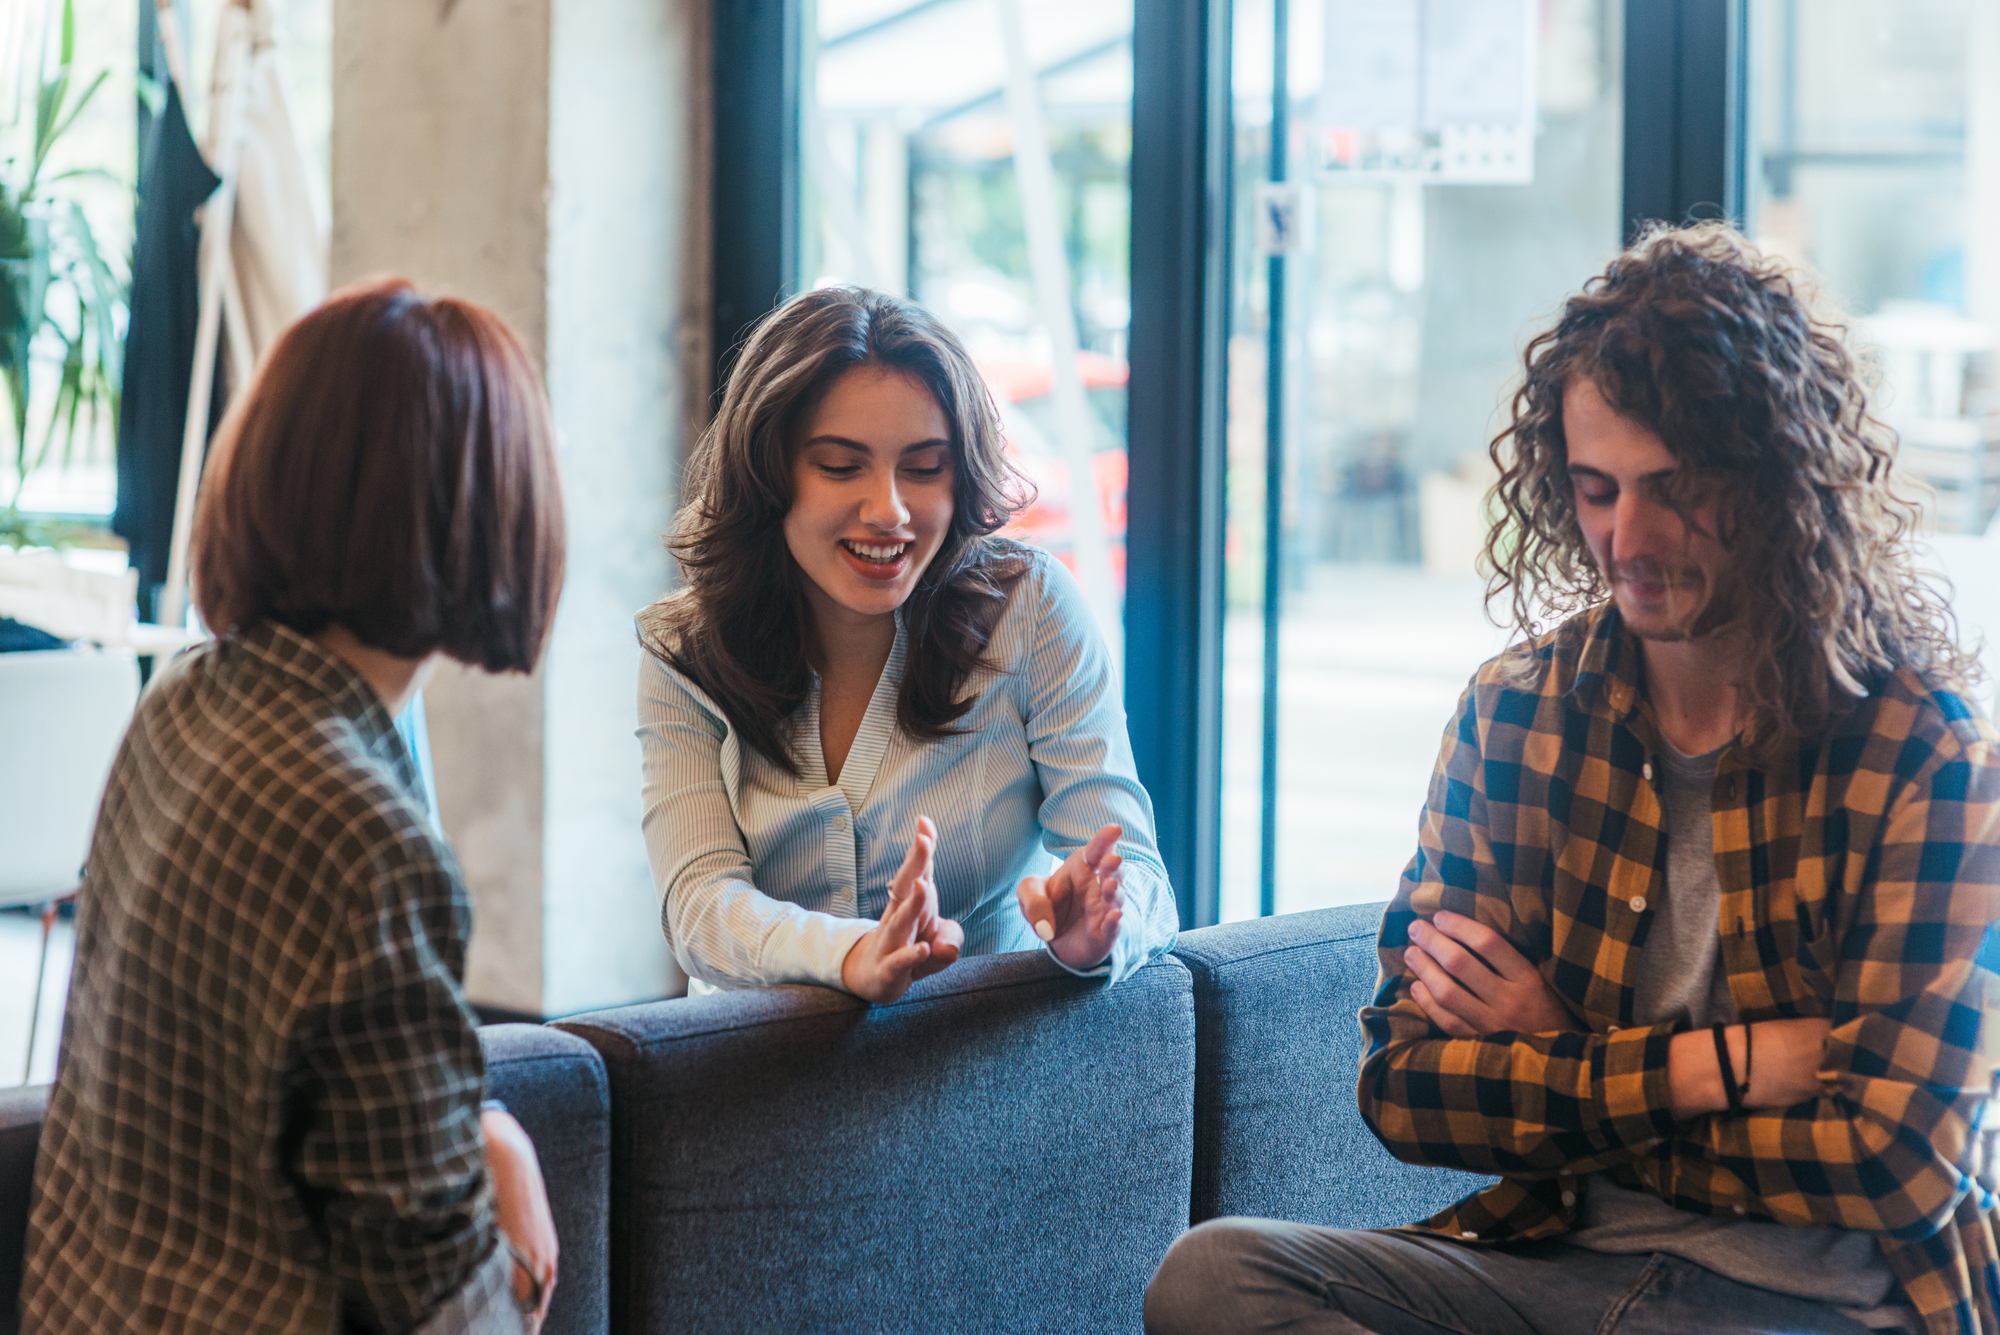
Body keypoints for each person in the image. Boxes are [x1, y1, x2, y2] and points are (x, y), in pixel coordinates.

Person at [1145, 223, 2000, 1335]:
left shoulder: (1919, 755)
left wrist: (1560, 1059)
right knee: (1214, 1279)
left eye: (1670, 489)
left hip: (1808, 1304)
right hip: (1551, 1265)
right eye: (1594, 489)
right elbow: (1404, 1089)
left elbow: (1897, 1167)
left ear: (1779, 484)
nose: (1624, 538)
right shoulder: (1520, 713)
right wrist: (1721, 1067)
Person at [23, 280, 568, 1334]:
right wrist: (527, 1264)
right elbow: (445, 1307)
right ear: (479, 504)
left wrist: (484, 1133)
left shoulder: (186, 697)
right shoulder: (363, 833)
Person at [638, 285, 1176, 1001]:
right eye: (839, 465)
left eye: (925, 468)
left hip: (981, 1071)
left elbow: (1136, 868)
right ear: (769, 474)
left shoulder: (1030, 606)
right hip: (763, 1079)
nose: (889, 509)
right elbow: (699, 906)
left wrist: (1098, 932)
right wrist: (855, 950)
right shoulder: (685, 647)